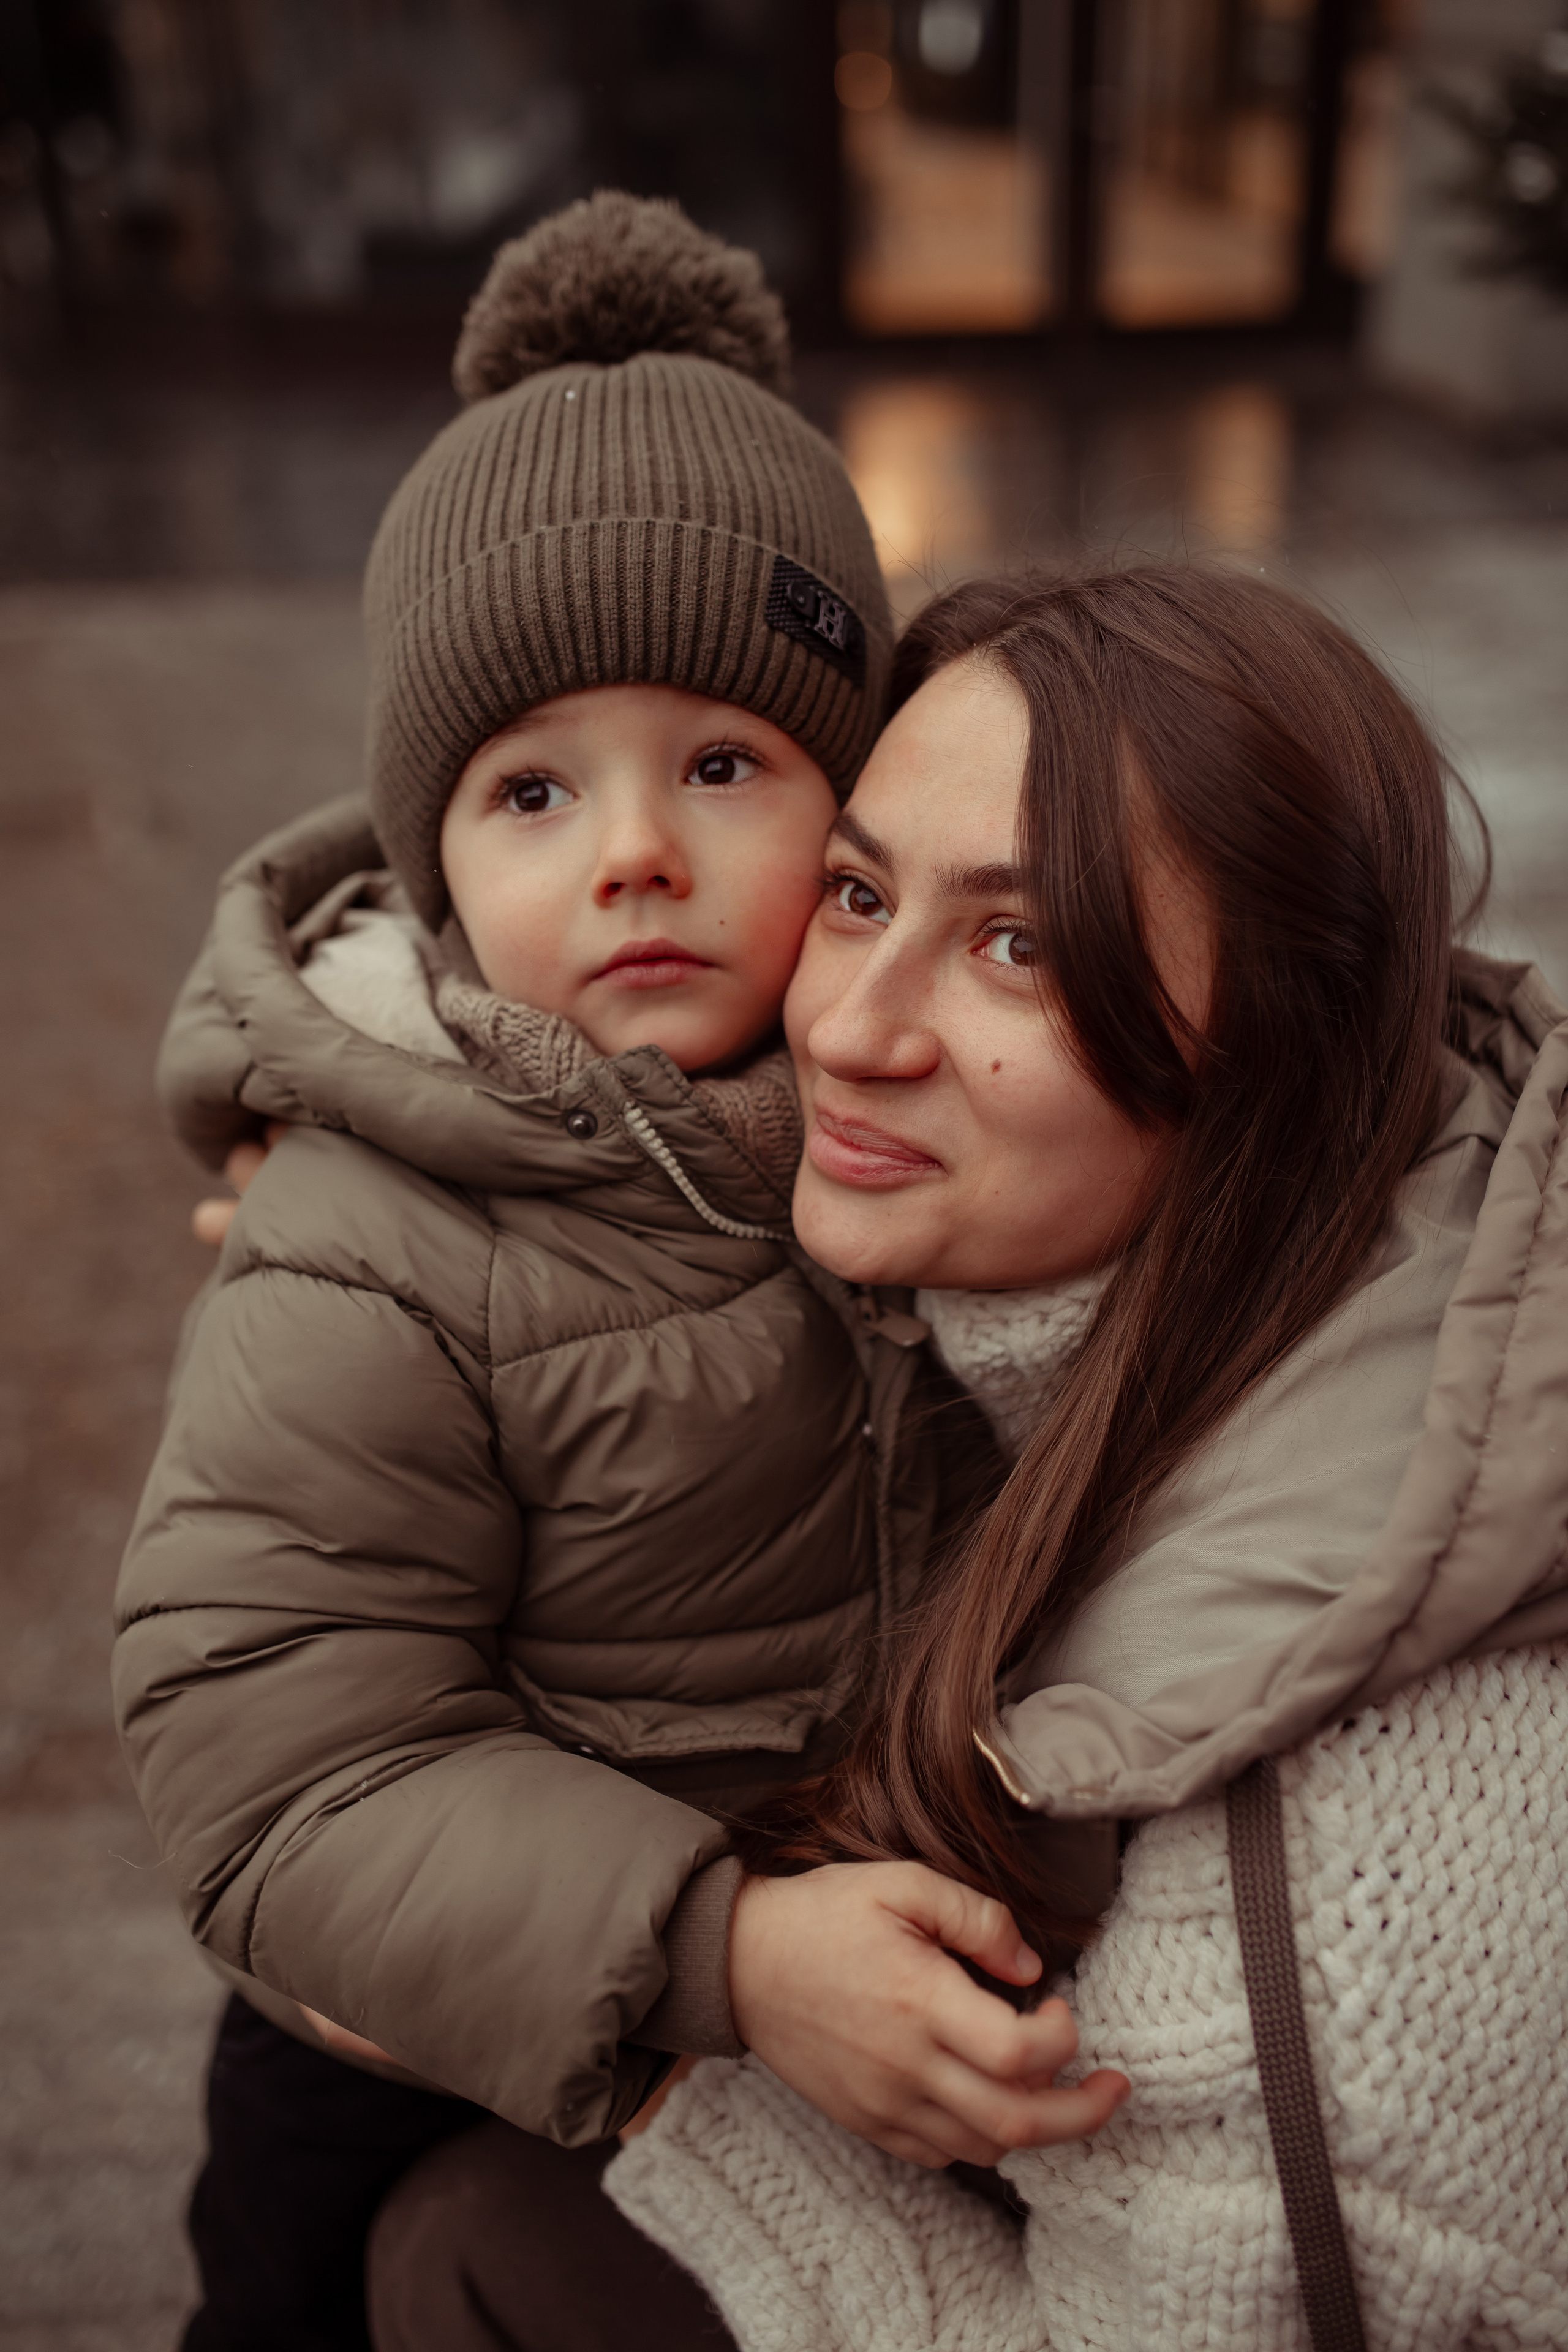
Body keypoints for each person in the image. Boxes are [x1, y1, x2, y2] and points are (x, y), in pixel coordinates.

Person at [113, 201, 1121, 2352]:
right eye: (533, 787)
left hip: (832, 2006)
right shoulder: (371, 1238)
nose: (636, 848)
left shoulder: (910, 1109)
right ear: (437, 870)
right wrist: (728, 1952)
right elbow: (280, 1764)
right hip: (413, 2023)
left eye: (728, 764)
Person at [585, 568, 1568, 2350]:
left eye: (1017, 947)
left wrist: (654, 2070)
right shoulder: (1208, 1237)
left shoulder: (1309, 1926)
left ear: (1269, 1054)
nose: (846, 1032)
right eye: (860, 893)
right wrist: (371, 1183)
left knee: (465, 2235)